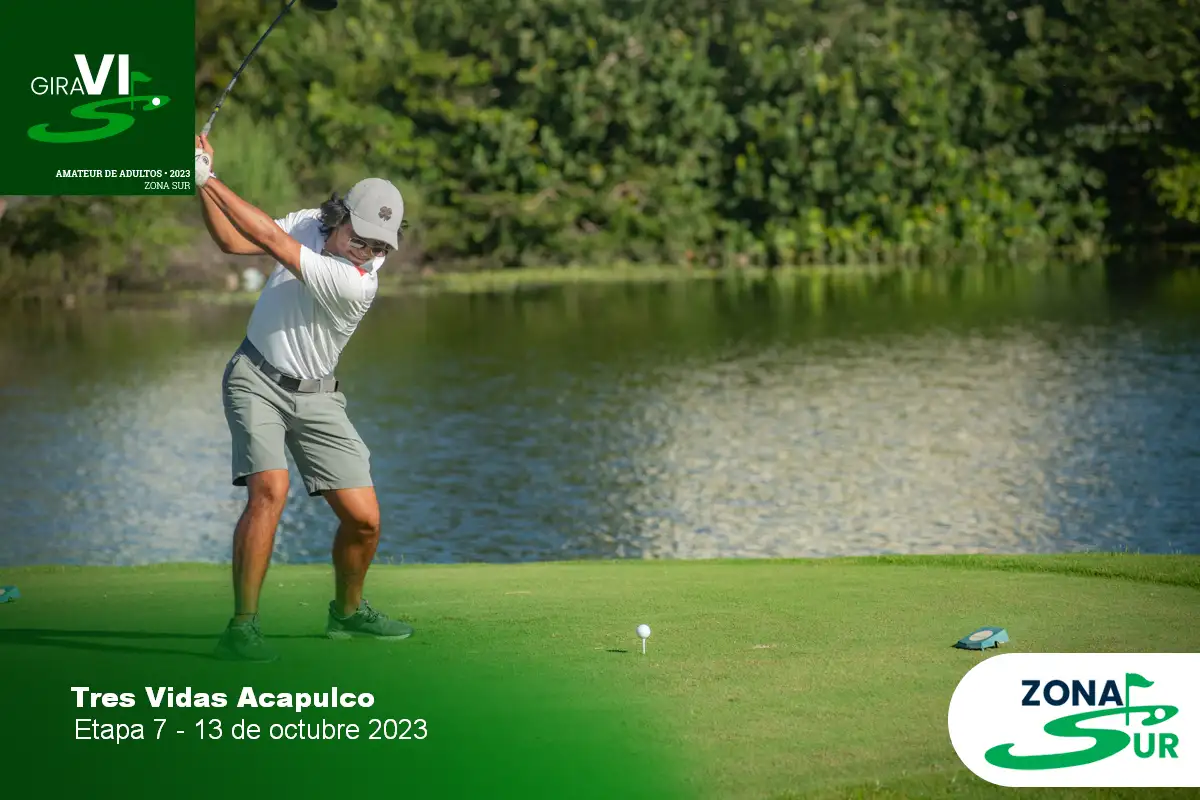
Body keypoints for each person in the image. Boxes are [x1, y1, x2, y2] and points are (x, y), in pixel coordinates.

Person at [194, 134, 413, 662]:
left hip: (317, 397)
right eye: (362, 238)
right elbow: (234, 241)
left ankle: (348, 612)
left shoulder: (357, 282)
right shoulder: (309, 223)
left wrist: (207, 177)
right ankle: (242, 628)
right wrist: (200, 183)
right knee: (270, 490)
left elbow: (270, 238)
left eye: (380, 246)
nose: (369, 252)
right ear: (340, 217)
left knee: (364, 519)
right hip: (255, 378)